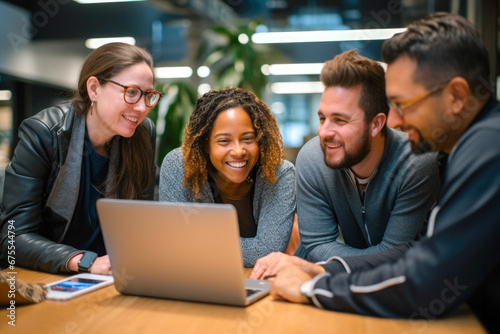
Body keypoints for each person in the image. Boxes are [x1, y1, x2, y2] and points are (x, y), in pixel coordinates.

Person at [267, 12, 500, 333]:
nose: (399, 122)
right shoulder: (468, 148)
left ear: (457, 97)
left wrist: (312, 288)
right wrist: (323, 272)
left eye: (404, 104)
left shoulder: (488, 148)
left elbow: (423, 282)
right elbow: (420, 258)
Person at [253, 49, 439, 278]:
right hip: (322, 282)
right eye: (322, 118)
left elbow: (396, 255)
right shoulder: (313, 158)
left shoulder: (416, 161)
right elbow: (317, 245)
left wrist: (327, 265)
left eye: (340, 120)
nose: (324, 132)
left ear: (376, 124)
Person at [0, 42, 162, 275]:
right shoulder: (44, 133)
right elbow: (13, 240)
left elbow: (141, 220)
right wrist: (86, 262)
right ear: (94, 89)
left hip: (113, 277)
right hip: (48, 276)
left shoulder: (143, 133)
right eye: (132, 92)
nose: (141, 107)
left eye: (149, 95)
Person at [159, 87, 295, 267]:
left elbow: (266, 251)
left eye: (248, 138)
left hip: (259, 281)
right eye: (224, 141)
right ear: (205, 144)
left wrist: (194, 244)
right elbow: (174, 243)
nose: (239, 151)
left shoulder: (279, 173)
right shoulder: (179, 166)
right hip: (198, 277)